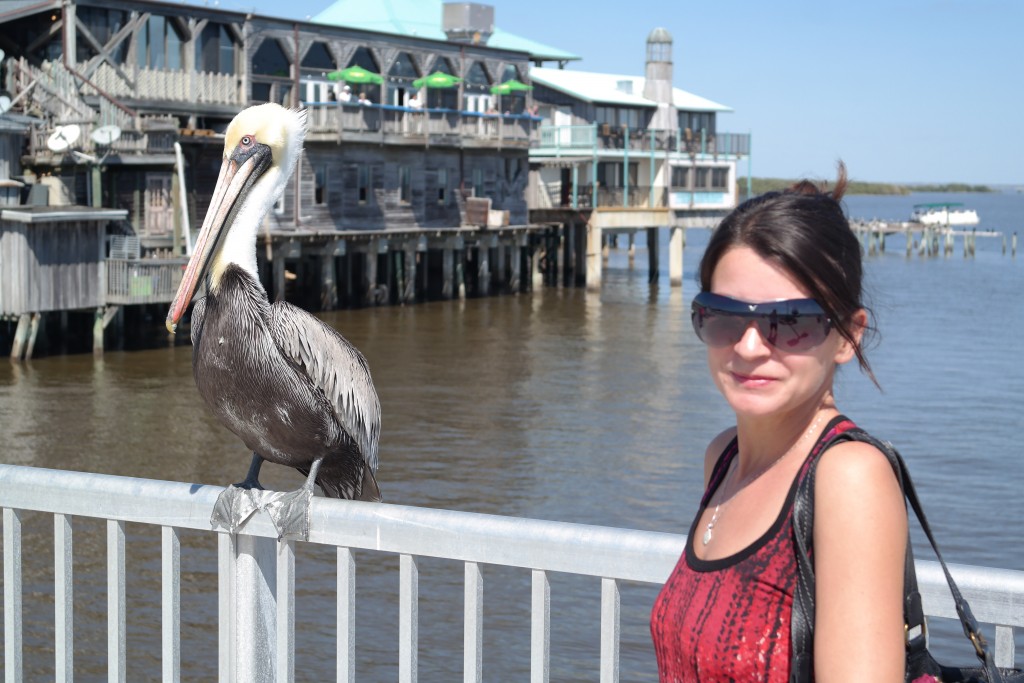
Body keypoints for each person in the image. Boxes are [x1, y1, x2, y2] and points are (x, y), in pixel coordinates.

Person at [650, 164, 907, 682]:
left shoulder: (848, 477)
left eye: (788, 322)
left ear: (847, 336)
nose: (748, 347)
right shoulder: (723, 457)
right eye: (723, 315)